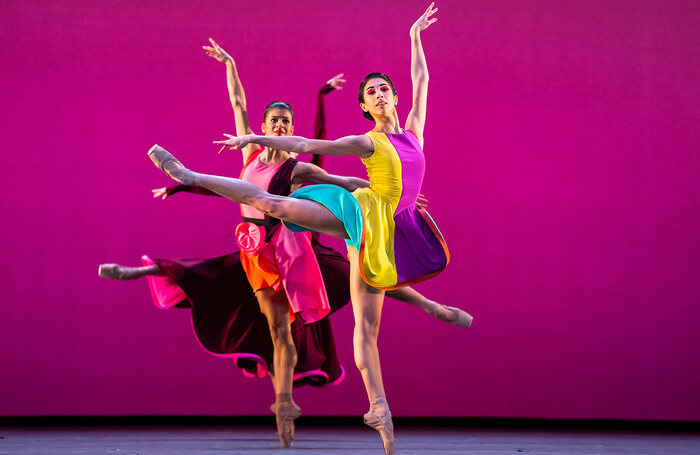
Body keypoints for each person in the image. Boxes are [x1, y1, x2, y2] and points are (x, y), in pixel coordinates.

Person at [110, 29, 469, 450]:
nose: (378, 94)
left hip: (388, 230)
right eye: (370, 92)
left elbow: (422, 80)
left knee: (368, 322)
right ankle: (186, 173)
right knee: (274, 206)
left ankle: (385, 392)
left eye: (384, 89)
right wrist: (251, 139)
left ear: (394, 95)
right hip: (355, 214)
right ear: (364, 105)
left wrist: (414, 37)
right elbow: (303, 142)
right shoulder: (364, 140)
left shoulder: (413, 131)